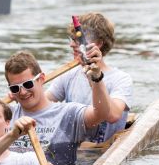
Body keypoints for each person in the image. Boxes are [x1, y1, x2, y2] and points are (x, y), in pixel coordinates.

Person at [46, 12, 133, 143]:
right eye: (71, 39)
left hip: (104, 153)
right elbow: (42, 104)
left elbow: (113, 115)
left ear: (98, 43)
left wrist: (95, 77)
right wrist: (25, 94)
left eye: (77, 40)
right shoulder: (68, 74)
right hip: (74, 151)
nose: (71, 45)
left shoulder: (121, 79)